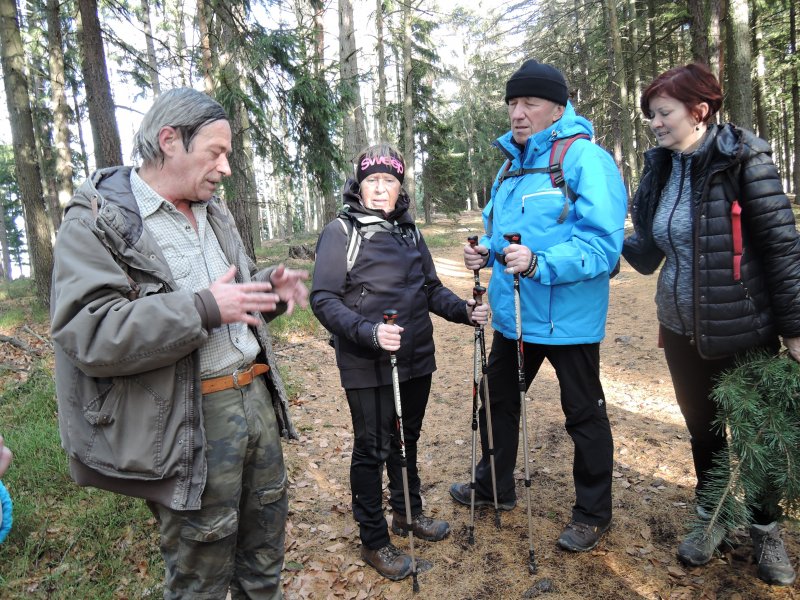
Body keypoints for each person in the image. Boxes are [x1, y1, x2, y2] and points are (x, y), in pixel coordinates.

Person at [50, 88, 309, 599]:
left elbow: (222, 294)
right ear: (169, 141)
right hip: (186, 421)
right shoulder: (98, 222)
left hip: (253, 401)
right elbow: (90, 330)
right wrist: (204, 309)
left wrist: (265, 293)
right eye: (215, 152)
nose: (225, 168)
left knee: (264, 560)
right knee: (200, 576)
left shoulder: (213, 211)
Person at [622, 63, 800, 586]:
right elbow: (650, 250)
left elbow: (784, 250)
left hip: (744, 327)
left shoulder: (745, 160)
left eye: (663, 113)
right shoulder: (660, 167)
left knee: (757, 435)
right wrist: (600, 245)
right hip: (679, 328)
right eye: (650, 115)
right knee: (703, 430)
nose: (654, 123)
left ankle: (766, 530)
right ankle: (714, 516)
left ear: (699, 111)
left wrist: (795, 330)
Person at [449, 59, 627, 553]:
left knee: (583, 416)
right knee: (496, 400)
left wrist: (539, 263)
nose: (518, 113)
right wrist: (483, 250)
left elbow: (603, 245)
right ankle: (494, 486)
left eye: (529, 102)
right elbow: (500, 233)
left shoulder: (586, 159)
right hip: (515, 317)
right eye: (512, 102)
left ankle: (593, 514)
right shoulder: (510, 165)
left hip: (567, 319)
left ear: (558, 106)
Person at [310, 143, 489, 581]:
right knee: (371, 449)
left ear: (399, 187)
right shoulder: (341, 231)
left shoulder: (409, 232)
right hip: (366, 360)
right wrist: (369, 332)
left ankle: (408, 514)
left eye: (388, 181)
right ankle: (374, 541)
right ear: (359, 183)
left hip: (415, 358)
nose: (379, 188)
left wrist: (462, 311)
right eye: (371, 180)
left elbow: (429, 289)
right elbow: (323, 298)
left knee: (405, 440)